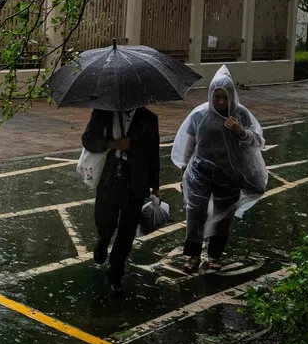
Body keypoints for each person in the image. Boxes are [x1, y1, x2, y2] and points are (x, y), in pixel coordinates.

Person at [171, 65, 267, 273]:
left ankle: (214, 256)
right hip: (201, 173)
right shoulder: (200, 114)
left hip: (230, 176)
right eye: (217, 97)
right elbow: (190, 143)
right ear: (211, 95)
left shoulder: (241, 114)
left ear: (232, 96)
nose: (221, 102)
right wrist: (184, 170)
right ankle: (193, 255)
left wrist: (240, 131)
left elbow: (257, 141)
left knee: (224, 216)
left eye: (225, 98)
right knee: (195, 212)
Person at [82, 105, 160, 297]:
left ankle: (115, 274)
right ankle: (103, 238)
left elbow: (153, 153)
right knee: (105, 219)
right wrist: (113, 144)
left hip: (136, 182)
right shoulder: (103, 112)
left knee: (127, 231)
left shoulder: (149, 118)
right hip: (109, 177)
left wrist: (155, 186)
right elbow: (88, 140)